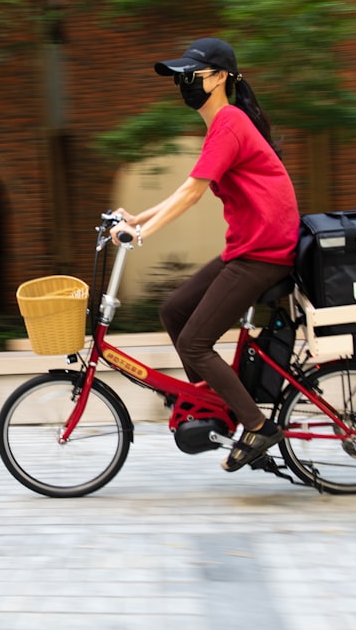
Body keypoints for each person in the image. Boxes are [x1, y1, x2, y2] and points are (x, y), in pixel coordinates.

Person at [109, 37, 300, 472]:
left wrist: (139, 236)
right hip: (249, 248)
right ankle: (211, 403)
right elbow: (187, 187)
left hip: (264, 252)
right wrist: (137, 219)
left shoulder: (230, 122)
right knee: (174, 310)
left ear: (218, 78)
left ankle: (256, 425)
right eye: (180, 78)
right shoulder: (222, 125)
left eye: (189, 76)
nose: (182, 84)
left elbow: (193, 194)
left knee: (196, 344)